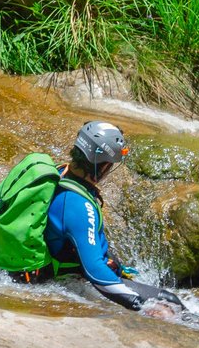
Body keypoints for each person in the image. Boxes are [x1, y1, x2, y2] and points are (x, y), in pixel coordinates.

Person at [43, 121, 184, 313]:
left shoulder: (60, 172)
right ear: (103, 166)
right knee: (170, 300)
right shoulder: (78, 206)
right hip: (72, 277)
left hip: (67, 264)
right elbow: (97, 274)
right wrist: (142, 306)